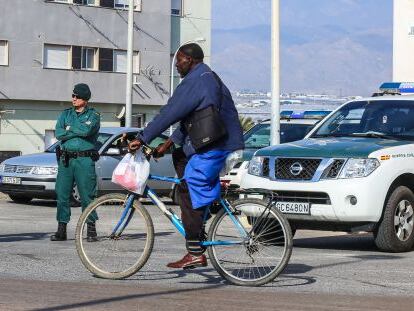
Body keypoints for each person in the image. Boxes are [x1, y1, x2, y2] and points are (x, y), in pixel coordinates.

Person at [129, 43, 244, 269]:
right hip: (212, 141)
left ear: (189, 60)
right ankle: (198, 214)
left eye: (179, 61)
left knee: (192, 184)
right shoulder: (206, 77)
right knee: (180, 159)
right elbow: (194, 118)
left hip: (217, 145)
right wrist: (168, 144)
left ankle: (195, 247)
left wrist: (143, 137)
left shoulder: (196, 80)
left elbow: (171, 112)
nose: (176, 66)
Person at [51, 83, 101, 242]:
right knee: (62, 194)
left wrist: (69, 130)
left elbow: (87, 131)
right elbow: (59, 133)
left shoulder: (94, 115)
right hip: (66, 160)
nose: (73, 98)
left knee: (87, 195)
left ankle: (91, 229)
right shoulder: (65, 114)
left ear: (85, 99)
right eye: (73, 95)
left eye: (77, 96)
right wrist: (74, 130)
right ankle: (61, 230)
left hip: (84, 160)